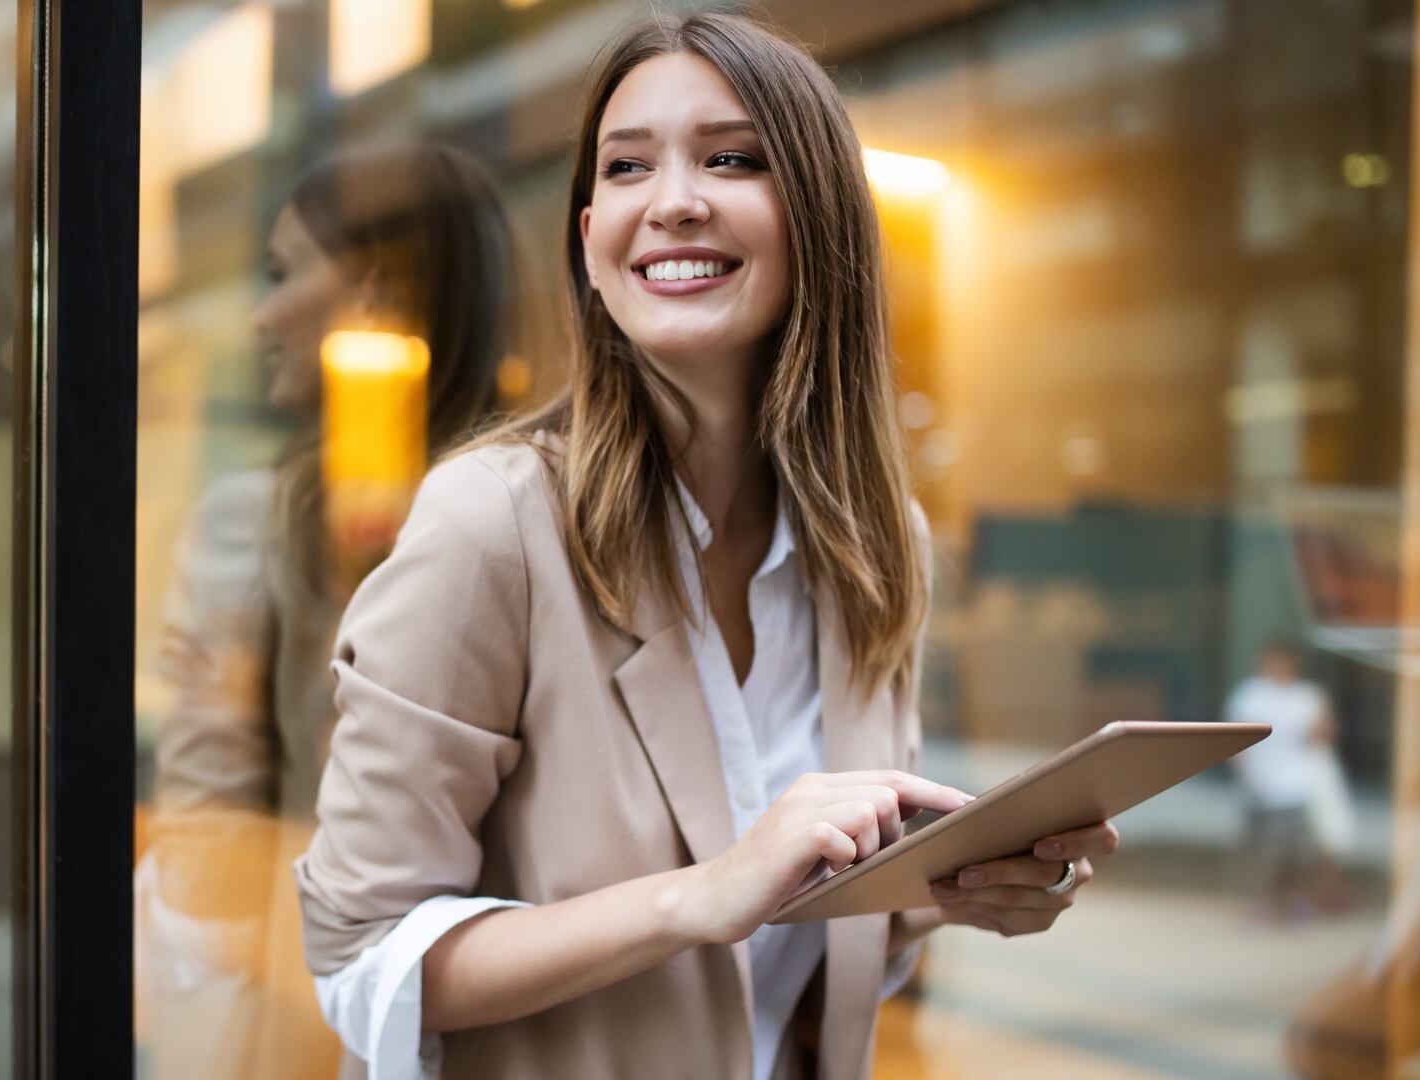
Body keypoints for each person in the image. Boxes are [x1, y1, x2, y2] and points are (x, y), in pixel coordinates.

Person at [293, 14, 1119, 1080]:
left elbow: (794, 949)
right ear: (592, 240)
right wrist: (700, 896)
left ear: (818, 221)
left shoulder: (877, 545)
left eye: (731, 159)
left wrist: (950, 896)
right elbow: (360, 960)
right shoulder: (492, 525)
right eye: (627, 166)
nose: (672, 199)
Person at [140, 140, 518, 1079]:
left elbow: (208, 862)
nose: (263, 314)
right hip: (527, 1023)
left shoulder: (256, 529)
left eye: (283, 274)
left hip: (317, 1021)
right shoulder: (558, 516)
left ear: (375, 291)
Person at [1224, 638, 1352, 920]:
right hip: (1260, 786)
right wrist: (1247, 776)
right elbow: (1234, 741)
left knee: (1294, 853)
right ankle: (1265, 903)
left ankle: (1290, 902)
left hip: (1297, 786)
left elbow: (1324, 737)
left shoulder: (1308, 696)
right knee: (1264, 852)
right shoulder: (1250, 695)